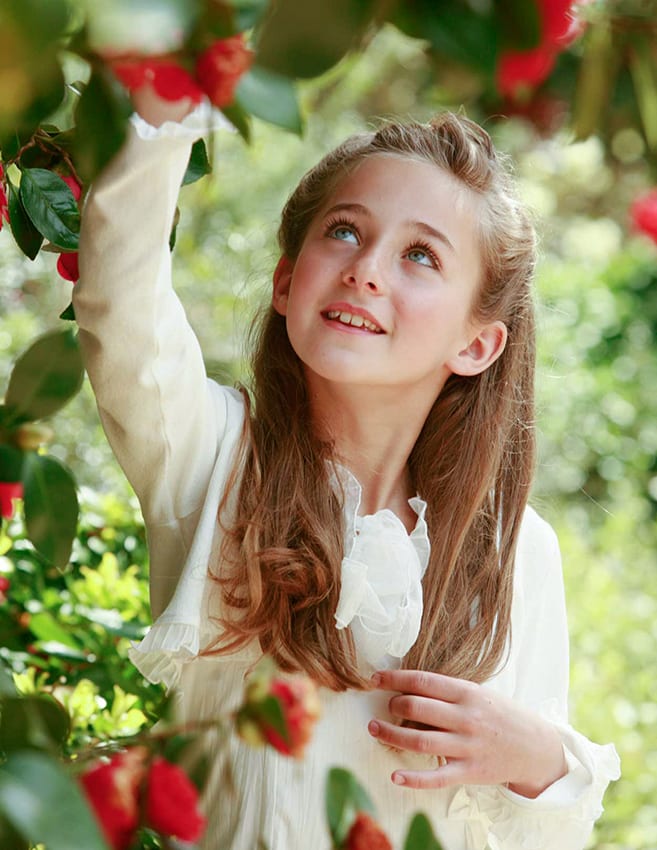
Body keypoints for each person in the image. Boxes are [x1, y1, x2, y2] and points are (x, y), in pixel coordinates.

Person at [74, 86, 620, 850]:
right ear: (286, 281)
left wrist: (535, 756)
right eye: (343, 231)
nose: (366, 269)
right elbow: (119, 302)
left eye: (419, 254)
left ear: (475, 344)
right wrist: (168, 98)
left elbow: (542, 836)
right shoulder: (213, 461)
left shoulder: (515, 553)